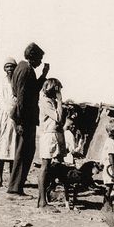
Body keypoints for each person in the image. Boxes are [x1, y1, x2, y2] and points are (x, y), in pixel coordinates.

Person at [7, 43, 49, 197]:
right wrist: (20, 122)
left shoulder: (23, 67)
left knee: (25, 151)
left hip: (24, 117)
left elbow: (30, 91)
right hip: (25, 118)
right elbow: (23, 98)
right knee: (24, 152)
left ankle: (16, 186)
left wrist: (43, 74)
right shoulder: (26, 69)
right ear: (34, 57)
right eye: (40, 58)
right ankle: (15, 188)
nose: (41, 61)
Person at [37, 78, 66, 208]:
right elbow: (59, 118)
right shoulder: (46, 102)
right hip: (49, 136)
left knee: (51, 168)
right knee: (45, 167)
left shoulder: (51, 101)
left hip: (54, 135)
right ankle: (42, 200)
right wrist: (60, 101)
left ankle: (44, 198)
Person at [0, 57, 17, 187]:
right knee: (1, 147)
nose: (9, 70)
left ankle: (12, 180)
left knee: (12, 147)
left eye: (12, 67)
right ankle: (0, 178)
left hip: (13, 117)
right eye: (7, 67)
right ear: (4, 69)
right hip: (2, 116)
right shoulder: (1, 82)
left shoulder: (17, 82)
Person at [101, 118, 114, 207]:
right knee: (109, 188)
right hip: (110, 169)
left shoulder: (110, 141)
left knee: (109, 187)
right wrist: (113, 173)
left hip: (109, 168)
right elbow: (111, 158)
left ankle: (106, 204)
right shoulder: (112, 143)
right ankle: (105, 205)